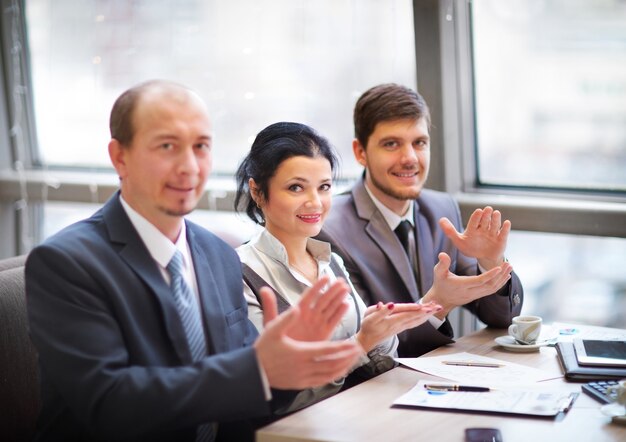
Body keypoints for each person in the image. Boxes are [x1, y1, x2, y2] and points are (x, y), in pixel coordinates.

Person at [25, 80, 363, 441]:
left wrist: (288, 363)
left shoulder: (217, 255)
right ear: (120, 157)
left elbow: (252, 393)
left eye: (201, 146)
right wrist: (258, 370)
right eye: (168, 146)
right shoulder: (67, 263)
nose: (189, 166)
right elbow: (110, 404)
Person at [234, 121, 441, 412]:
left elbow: (378, 365)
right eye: (296, 188)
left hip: (357, 419)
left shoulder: (331, 262)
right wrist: (359, 344)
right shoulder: (240, 274)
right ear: (257, 192)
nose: (315, 202)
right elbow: (278, 397)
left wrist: (382, 333)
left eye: (324, 187)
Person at [317, 83, 523, 357]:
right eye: (391, 144)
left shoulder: (441, 207)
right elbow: (369, 345)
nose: (410, 158)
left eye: (419, 143)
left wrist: (491, 265)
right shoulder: (328, 229)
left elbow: (502, 319)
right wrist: (439, 303)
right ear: (360, 152)